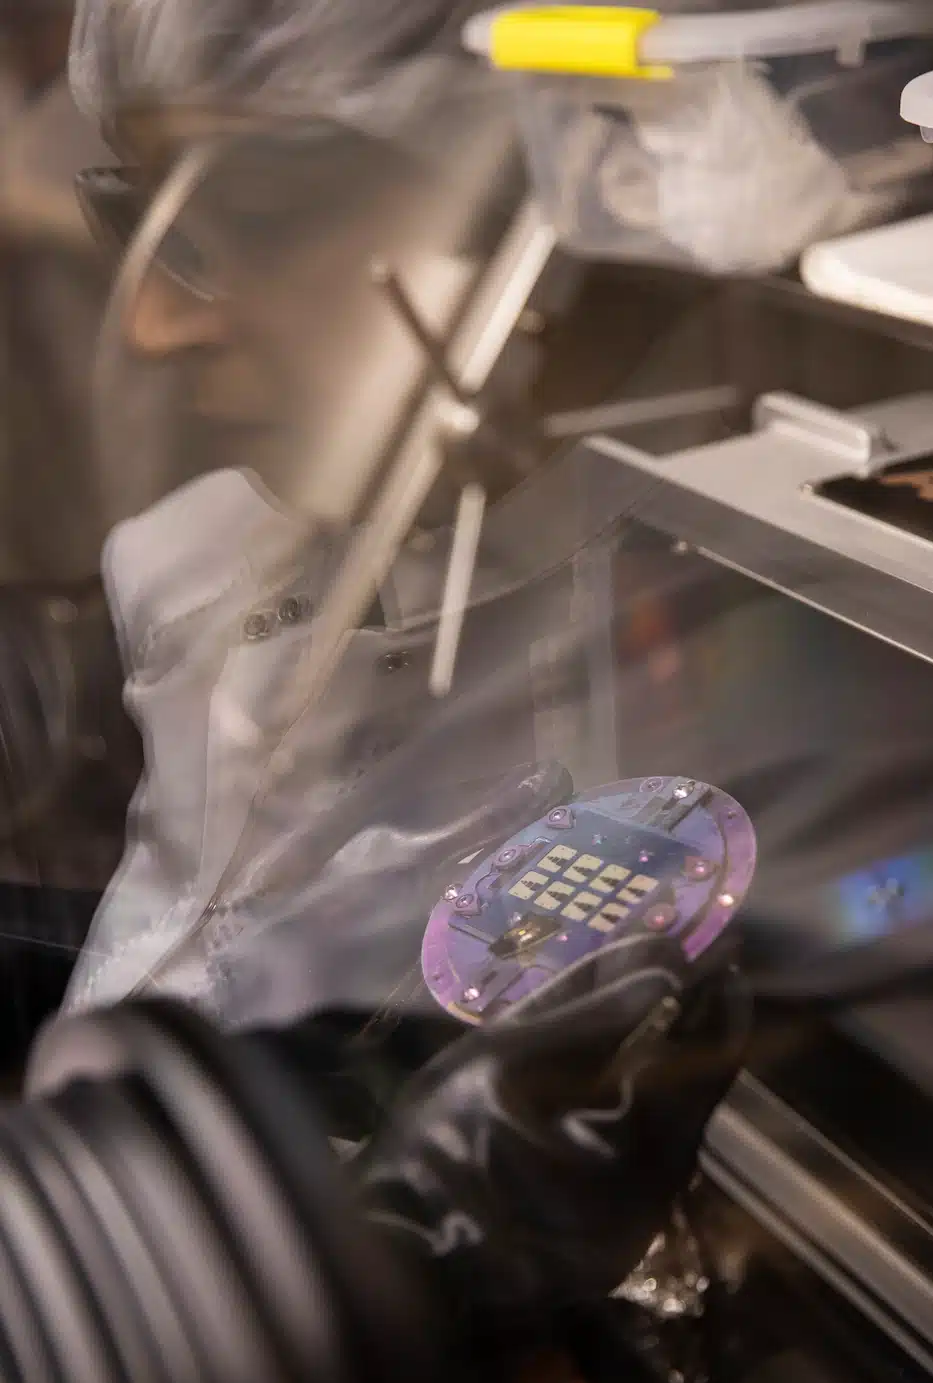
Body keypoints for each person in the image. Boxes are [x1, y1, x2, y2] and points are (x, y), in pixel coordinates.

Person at [59, 0, 592, 1031]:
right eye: (148, 221)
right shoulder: (189, 563)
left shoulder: (753, 617)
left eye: (252, 213)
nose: (154, 322)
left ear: (540, 187)